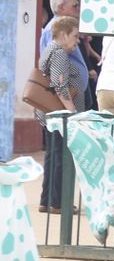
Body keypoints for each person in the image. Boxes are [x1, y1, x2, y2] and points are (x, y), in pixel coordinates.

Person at [36, 16, 87, 215]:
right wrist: (71, 112)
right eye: (75, 36)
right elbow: (60, 86)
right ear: (64, 34)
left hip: (53, 115)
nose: (77, 41)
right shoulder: (58, 54)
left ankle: (47, 200)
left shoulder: (52, 50)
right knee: (60, 157)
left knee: (52, 156)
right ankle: (58, 203)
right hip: (60, 116)